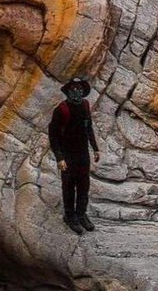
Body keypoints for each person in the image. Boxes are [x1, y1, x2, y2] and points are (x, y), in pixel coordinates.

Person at [48, 76, 100, 235]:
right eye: (74, 89)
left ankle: (81, 214)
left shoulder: (85, 105)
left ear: (83, 91)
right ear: (68, 91)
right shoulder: (61, 109)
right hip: (68, 154)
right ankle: (70, 216)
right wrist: (59, 157)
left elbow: (88, 127)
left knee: (84, 185)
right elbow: (53, 135)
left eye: (79, 89)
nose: (77, 91)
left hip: (83, 153)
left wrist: (95, 148)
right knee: (69, 186)